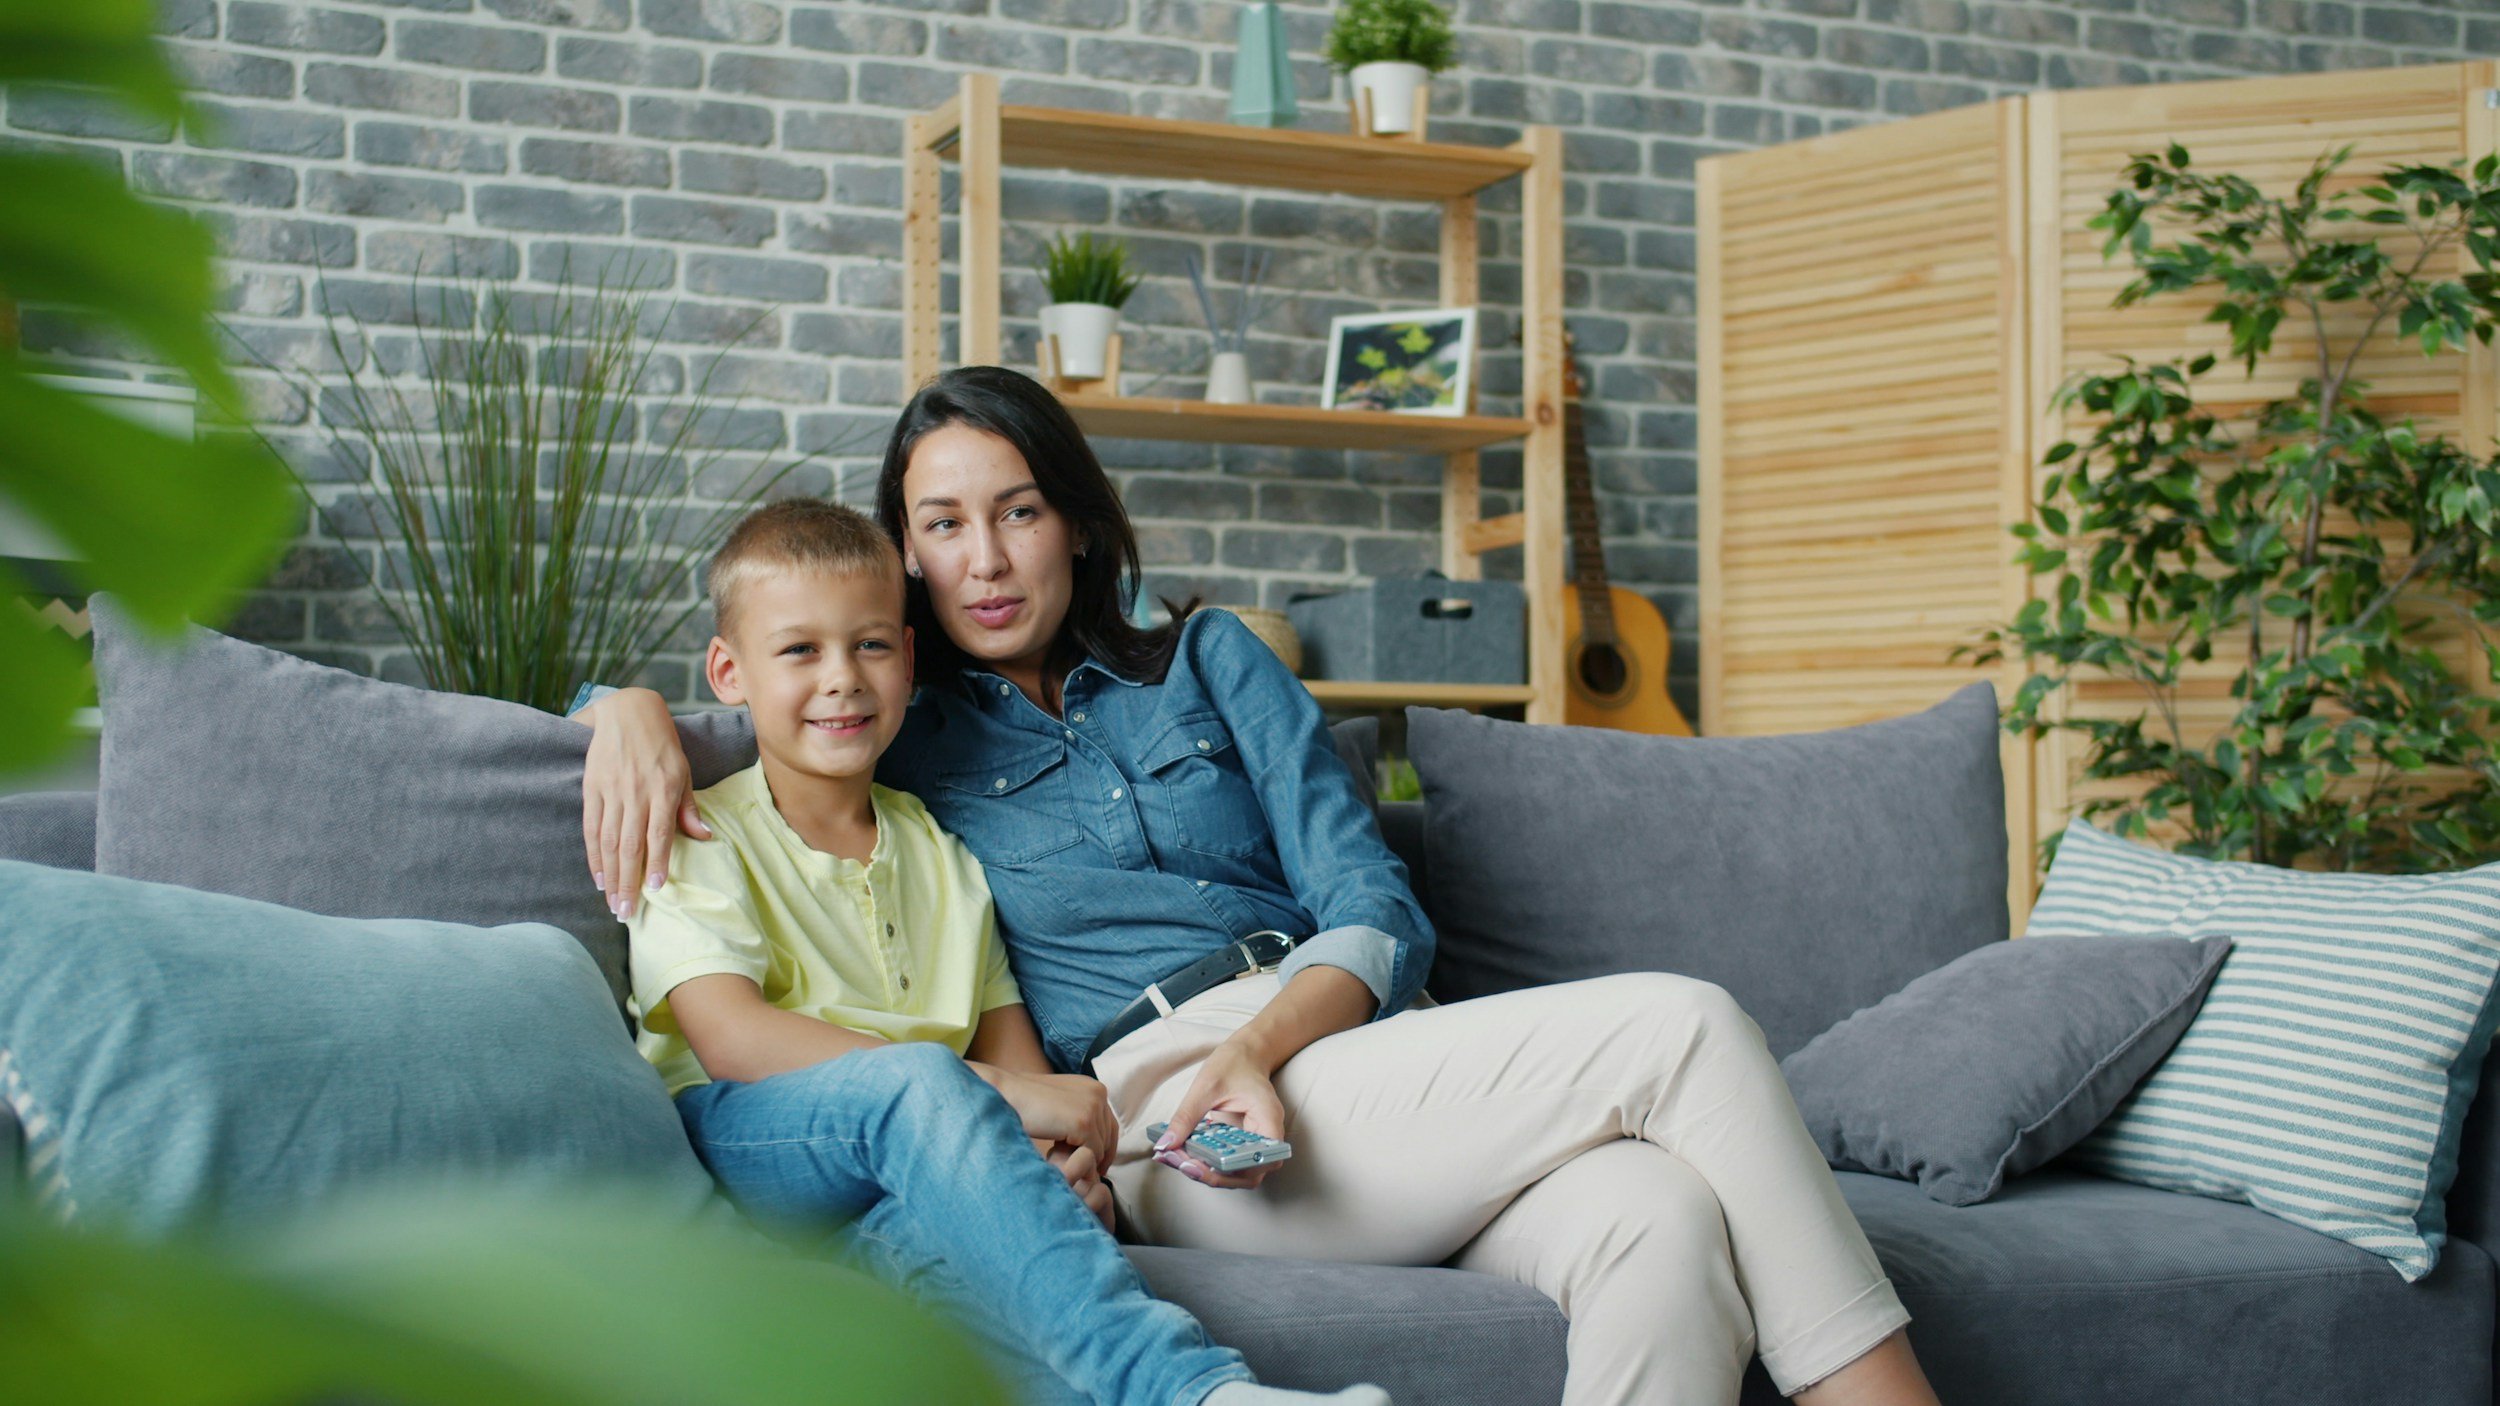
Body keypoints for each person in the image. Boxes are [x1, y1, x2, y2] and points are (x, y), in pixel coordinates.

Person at [579, 366, 1942, 1406]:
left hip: (1339, 1056)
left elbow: (1369, 893)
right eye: (942, 525)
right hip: (1166, 1117)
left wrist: (1266, 1039)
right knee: (1683, 1023)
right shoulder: (901, 719)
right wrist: (622, 703)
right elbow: (755, 698)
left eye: (1019, 510)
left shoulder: (1213, 657)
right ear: (906, 559)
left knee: (1663, 1219)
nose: (985, 558)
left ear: (1078, 522)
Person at [606, 496, 1390, 1406]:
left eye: (868, 645)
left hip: (915, 1169)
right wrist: (1001, 1094)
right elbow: (732, 1039)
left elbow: (1013, 1048)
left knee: (952, 1275)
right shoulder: (700, 830)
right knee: (923, 1081)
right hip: (750, 1140)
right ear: (728, 674)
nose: (841, 680)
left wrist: (1057, 1166)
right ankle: (1194, 1391)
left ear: (907, 660)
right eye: (799, 651)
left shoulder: (943, 849)